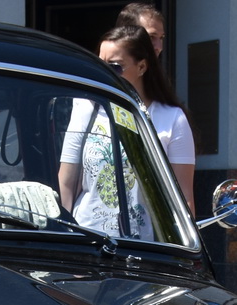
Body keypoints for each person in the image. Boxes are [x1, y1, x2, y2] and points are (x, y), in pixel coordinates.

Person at [59, 24, 195, 228]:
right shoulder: (85, 108)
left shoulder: (172, 118)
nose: (105, 73)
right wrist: (62, 233)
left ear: (142, 67)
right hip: (87, 237)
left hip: (143, 242)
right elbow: (66, 183)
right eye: (100, 65)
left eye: (115, 66)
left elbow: (184, 198)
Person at [117, 1, 166, 67]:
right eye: (151, 37)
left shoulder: (157, 73)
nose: (159, 47)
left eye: (161, 38)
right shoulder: (108, 72)